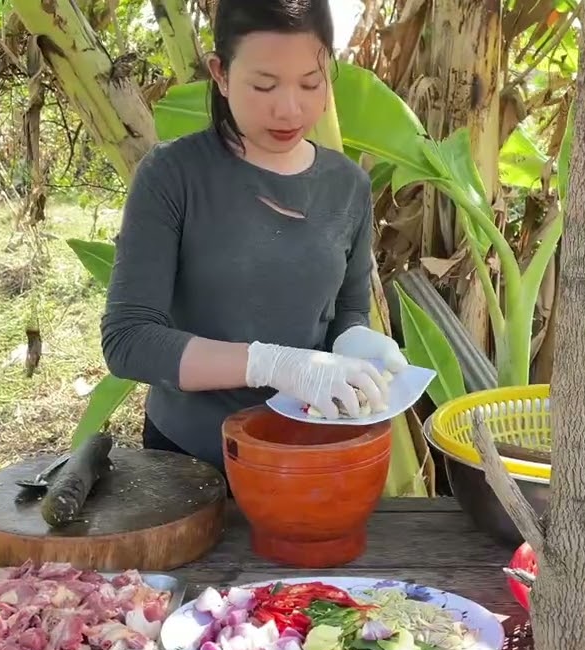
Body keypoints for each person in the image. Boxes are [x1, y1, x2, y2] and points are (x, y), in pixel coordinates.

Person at [100, 0, 407, 474]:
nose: (289, 108)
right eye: (264, 85)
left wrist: (354, 340)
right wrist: (271, 364)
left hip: (308, 449)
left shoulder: (348, 185)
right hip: (190, 459)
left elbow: (347, 310)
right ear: (220, 74)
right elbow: (129, 340)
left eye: (311, 83)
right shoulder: (173, 176)